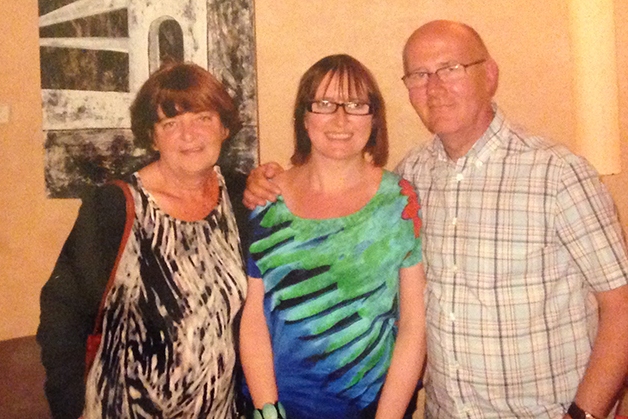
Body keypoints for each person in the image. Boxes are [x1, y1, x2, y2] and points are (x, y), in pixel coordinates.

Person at [243, 20, 628, 418]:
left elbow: (621, 306)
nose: (435, 87)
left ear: (489, 75)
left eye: (451, 69)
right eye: (420, 75)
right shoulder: (414, 176)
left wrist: (586, 413)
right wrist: (264, 181)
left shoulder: (557, 174)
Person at [37, 62, 250, 419]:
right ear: (152, 137)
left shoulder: (241, 197)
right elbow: (62, 315)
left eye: (203, 118)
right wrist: (68, 405)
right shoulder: (113, 207)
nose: (189, 135)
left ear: (224, 127)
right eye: (171, 124)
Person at [239, 54, 427, 419]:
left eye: (356, 105)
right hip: (275, 408)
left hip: (372, 409)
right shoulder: (267, 198)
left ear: (374, 119)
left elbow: (412, 327)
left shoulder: (400, 200)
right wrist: (267, 411)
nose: (340, 119)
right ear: (304, 117)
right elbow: (254, 318)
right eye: (324, 104)